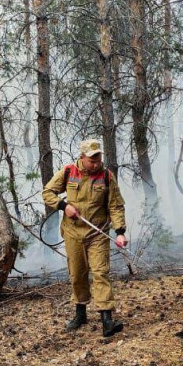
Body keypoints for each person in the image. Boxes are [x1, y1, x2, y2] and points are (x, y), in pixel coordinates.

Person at [42, 139, 128, 337]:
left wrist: (120, 232)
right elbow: (47, 193)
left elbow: (115, 206)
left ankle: (107, 319)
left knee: (100, 273)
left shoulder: (106, 176)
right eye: (92, 161)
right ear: (82, 157)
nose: (96, 164)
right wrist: (64, 206)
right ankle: (80, 314)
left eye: (98, 160)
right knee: (77, 274)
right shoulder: (68, 172)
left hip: (98, 233)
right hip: (73, 233)